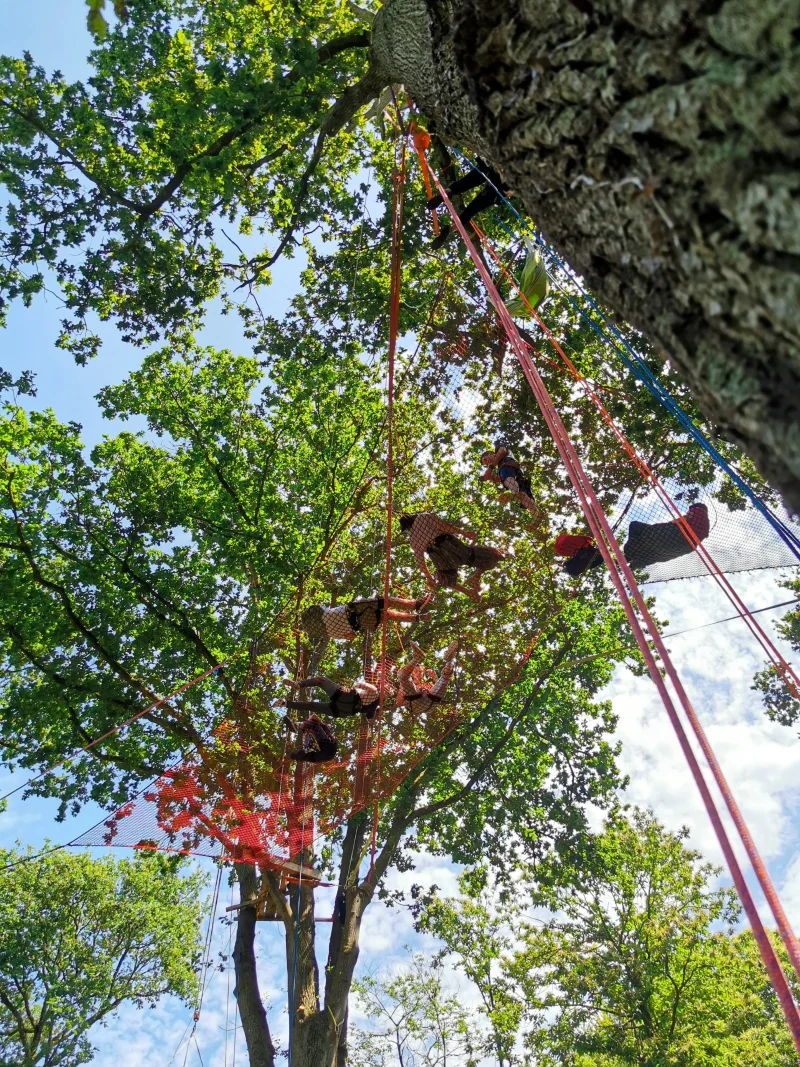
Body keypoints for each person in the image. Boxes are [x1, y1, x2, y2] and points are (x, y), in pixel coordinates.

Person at [399, 512, 504, 602]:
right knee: (488, 556)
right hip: (451, 546)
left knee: (445, 579)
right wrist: (464, 533)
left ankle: (469, 590)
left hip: (439, 557)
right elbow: (444, 526)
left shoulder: (412, 540)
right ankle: (476, 577)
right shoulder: (423, 517)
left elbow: (420, 560)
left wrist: (429, 577)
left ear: (407, 527)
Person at [427, 158, 510, 251]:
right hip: (503, 182)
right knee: (476, 206)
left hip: (494, 166)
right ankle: (450, 228)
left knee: (471, 180)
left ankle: (450, 191)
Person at [302, 594, 432, 648]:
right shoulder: (323, 613)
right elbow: (322, 607)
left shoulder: (331, 635)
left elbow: (352, 636)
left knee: (388, 616)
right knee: (386, 602)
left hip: (362, 622)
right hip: (355, 609)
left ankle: (418, 618)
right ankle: (415, 605)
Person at [624, 502, 710, 570]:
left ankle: (630, 552)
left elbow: (684, 519)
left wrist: (671, 523)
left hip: (673, 534)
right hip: (686, 546)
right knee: (655, 554)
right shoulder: (706, 524)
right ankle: (635, 563)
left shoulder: (697, 510)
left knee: (634, 526)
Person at [396, 640, 458, 714]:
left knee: (445, 679)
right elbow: (398, 703)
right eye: (416, 671)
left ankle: (450, 660)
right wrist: (403, 689)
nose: (418, 673)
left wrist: (435, 677)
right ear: (412, 673)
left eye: (420, 671)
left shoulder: (428, 684)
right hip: (415, 703)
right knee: (402, 675)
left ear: (422, 673)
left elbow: (439, 688)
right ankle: (416, 658)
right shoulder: (410, 686)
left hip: (431, 703)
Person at [480, 438, 538, 516]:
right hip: (518, 474)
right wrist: (493, 478)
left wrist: (490, 468)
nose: (488, 463)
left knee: (508, 480)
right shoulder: (499, 465)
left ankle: (516, 493)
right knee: (524, 498)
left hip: (508, 465)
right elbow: (502, 478)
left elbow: (503, 451)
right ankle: (536, 514)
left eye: (486, 460)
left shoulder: (498, 451)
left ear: (490, 453)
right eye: (486, 464)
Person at [285, 676, 380, 721]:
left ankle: (299, 684)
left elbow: (358, 685)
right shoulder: (373, 707)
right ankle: (285, 704)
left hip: (347, 696)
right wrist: (375, 709)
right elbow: (369, 716)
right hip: (344, 711)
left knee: (321, 681)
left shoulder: (375, 691)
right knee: (312, 706)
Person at [505, 239, 549, 319]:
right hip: (535, 290)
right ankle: (531, 246)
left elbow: (504, 310)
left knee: (531, 267)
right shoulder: (526, 308)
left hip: (535, 291)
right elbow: (504, 310)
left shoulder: (526, 307)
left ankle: (531, 247)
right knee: (531, 266)